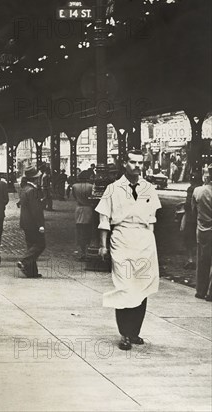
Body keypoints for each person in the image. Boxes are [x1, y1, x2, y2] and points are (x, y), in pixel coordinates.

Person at [95, 150, 161, 350]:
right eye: (132, 162)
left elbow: (152, 220)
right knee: (124, 286)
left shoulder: (149, 189)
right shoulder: (113, 189)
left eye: (140, 162)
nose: (137, 166)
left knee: (142, 287)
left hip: (144, 241)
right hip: (122, 239)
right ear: (124, 163)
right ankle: (124, 333)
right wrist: (103, 245)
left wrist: (151, 244)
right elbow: (104, 219)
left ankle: (134, 333)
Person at [17, 166, 45, 278]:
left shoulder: (24, 189)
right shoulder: (33, 191)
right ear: (36, 178)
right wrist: (40, 225)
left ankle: (31, 271)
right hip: (33, 223)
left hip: (25, 222)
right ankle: (24, 261)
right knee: (40, 244)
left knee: (31, 245)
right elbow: (36, 210)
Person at [192, 164, 212, 301]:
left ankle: (200, 290)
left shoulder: (198, 191)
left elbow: (194, 212)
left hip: (203, 230)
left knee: (202, 261)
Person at [71, 170, 94, 261]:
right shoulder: (91, 186)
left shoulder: (74, 186)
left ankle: (82, 251)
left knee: (79, 230)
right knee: (88, 230)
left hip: (79, 209)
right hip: (88, 209)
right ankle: (88, 251)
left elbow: (74, 197)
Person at [183, 174, 202, 269]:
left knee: (189, 239)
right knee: (199, 240)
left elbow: (188, 204)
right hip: (201, 219)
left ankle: (190, 259)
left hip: (191, 218)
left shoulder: (191, 189)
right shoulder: (203, 189)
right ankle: (199, 260)